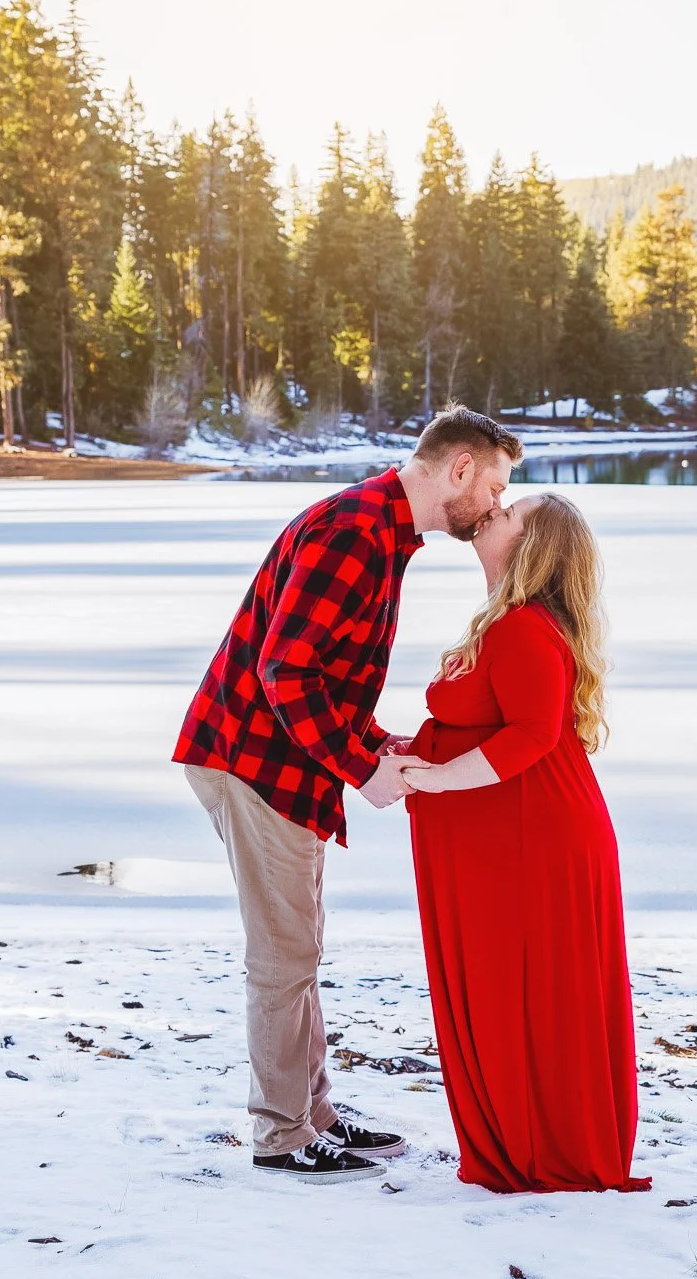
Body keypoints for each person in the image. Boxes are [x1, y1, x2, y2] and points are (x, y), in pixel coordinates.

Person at [175, 405, 523, 1184]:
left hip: (281, 756)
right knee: (283, 950)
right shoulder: (355, 532)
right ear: (458, 469)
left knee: (299, 941)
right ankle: (279, 1134)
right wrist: (360, 768)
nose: (498, 507)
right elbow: (284, 671)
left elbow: (325, 674)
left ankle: (314, 1114)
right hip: (252, 757)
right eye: (496, 487)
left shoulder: (383, 532)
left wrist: (377, 744)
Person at [402, 493, 650, 1193]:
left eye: (510, 511)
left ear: (531, 545)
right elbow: (490, 722)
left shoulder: (522, 628)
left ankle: (546, 1148)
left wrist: (441, 777)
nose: (494, 510)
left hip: (535, 844)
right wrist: (408, 753)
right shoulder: (511, 625)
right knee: (517, 992)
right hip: (521, 839)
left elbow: (532, 734)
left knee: (531, 994)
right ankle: (529, 1137)